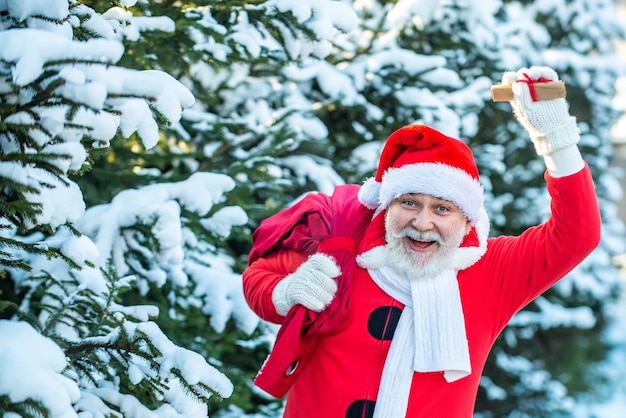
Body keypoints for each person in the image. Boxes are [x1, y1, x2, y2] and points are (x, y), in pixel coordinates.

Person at [242, 66, 601, 418]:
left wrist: (557, 140)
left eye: (442, 209)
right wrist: (285, 293)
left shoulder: (491, 269)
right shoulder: (343, 245)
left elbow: (576, 235)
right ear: (387, 205)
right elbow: (259, 276)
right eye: (409, 203)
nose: (422, 222)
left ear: (466, 220)